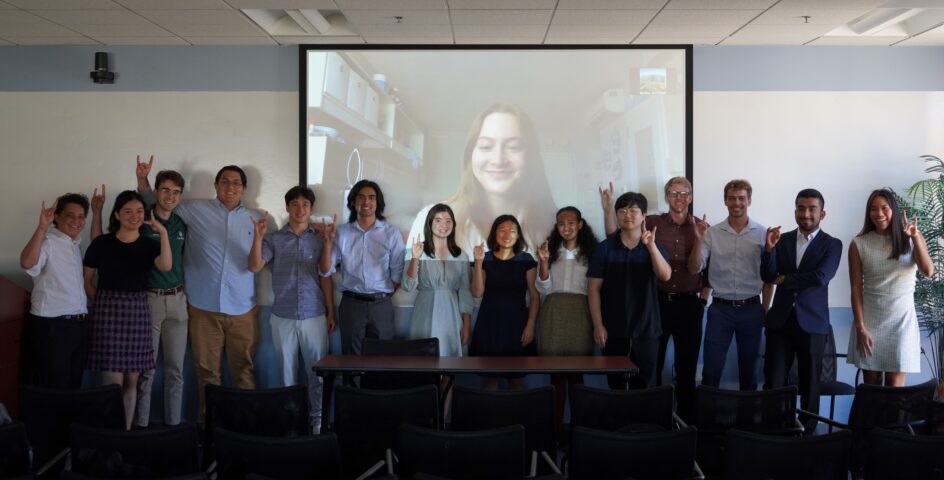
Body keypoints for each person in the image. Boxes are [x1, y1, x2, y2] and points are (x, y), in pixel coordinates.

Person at [137, 157, 261, 419]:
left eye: (236, 182)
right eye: (225, 181)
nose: (230, 187)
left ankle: (248, 429)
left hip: (243, 310)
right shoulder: (193, 209)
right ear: (215, 185)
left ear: (244, 189)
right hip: (202, 308)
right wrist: (143, 182)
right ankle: (210, 430)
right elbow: (161, 203)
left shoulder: (258, 219)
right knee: (207, 374)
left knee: (245, 371)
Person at [602, 178, 711, 421]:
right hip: (657, 304)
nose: (679, 197)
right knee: (653, 367)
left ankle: (685, 424)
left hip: (689, 305)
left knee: (687, 369)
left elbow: (701, 272)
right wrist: (608, 208)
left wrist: (702, 302)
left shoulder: (702, 227)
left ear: (690, 197)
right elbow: (613, 235)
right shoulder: (651, 222)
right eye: (673, 193)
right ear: (666, 197)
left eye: (684, 193)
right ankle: (657, 421)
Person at [408, 103, 555, 254]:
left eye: (514, 147)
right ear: (469, 156)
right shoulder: (429, 220)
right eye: (485, 146)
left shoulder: (551, 228)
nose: (498, 160)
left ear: (530, 158)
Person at [249, 186, 335, 433]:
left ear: (311, 208)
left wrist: (330, 311)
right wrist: (257, 236)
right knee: (287, 375)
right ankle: (291, 421)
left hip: (314, 314)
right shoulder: (274, 238)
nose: (300, 209)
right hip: (282, 315)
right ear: (287, 207)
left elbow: (326, 273)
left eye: (305, 204)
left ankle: (316, 421)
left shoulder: (320, 237)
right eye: (295, 204)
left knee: (316, 374)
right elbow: (255, 266)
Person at [83, 190, 172, 430]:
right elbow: (88, 279)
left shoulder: (149, 245)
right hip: (107, 313)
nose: (134, 216)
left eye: (139, 211)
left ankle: (125, 431)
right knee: (111, 383)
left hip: (137, 311)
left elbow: (166, 265)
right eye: (128, 211)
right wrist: (103, 302)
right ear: (117, 215)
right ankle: (109, 431)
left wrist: (162, 232)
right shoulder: (102, 243)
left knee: (132, 380)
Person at [761, 188, 842, 431]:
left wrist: (786, 280)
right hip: (780, 322)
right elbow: (768, 276)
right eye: (801, 208)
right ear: (795, 210)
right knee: (774, 383)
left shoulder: (832, 244)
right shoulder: (781, 239)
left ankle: (806, 436)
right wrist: (768, 250)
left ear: (822, 213)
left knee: (810, 385)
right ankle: (775, 432)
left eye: (811, 209)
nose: (805, 214)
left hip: (813, 323)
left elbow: (821, 277)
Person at [688, 179, 772, 391]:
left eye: (741, 198)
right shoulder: (712, 233)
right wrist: (698, 240)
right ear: (725, 201)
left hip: (752, 309)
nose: (737, 203)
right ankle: (710, 421)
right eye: (732, 198)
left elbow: (770, 276)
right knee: (711, 371)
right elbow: (694, 268)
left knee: (749, 371)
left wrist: (764, 309)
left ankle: (747, 423)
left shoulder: (762, 234)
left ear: (749, 201)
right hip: (720, 310)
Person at [847, 189, 932, 386]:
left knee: (895, 388)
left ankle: (894, 420)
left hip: (902, 324)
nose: (879, 213)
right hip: (870, 323)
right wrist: (860, 328)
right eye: (874, 209)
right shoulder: (858, 244)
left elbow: (928, 271)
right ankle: (870, 419)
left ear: (893, 209)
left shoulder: (911, 239)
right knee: (872, 387)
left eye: (884, 208)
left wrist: (916, 237)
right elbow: (855, 288)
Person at [588, 192, 671, 390]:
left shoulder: (655, 247)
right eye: (623, 210)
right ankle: (620, 422)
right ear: (617, 215)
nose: (628, 215)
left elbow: (665, 275)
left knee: (646, 385)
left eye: (634, 211)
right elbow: (593, 289)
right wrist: (598, 325)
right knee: (615, 384)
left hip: (647, 328)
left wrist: (650, 247)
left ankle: (643, 422)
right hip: (612, 329)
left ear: (644, 216)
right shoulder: (604, 249)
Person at [129, 169, 188, 428]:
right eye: (165, 190)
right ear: (156, 192)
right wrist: (141, 181)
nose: (170, 196)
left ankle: (173, 427)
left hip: (178, 301)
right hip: (149, 301)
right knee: (147, 371)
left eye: (175, 192)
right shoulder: (142, 221)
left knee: (176, 372)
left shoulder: (181, 224)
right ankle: (141, 426)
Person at [320, 179, 405, 356]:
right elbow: (325, 270)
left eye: (372, 198)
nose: (366, 202)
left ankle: (377, 385)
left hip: (381, 304)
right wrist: (328, 243)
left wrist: (383, 294)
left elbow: (398, 271)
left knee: (383, 360)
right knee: (351, 360)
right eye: (361, 197)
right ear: (353, 202)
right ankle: (352, 385)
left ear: (378, 203)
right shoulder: (341, 232)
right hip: (352, 304)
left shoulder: (391, 233)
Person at [20, 192, 95, 388]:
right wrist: (41, 228)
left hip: (77, 325)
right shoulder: (48, 242)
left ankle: (67, 420)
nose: (76, 221)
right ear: (57, 217)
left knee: (73, 383)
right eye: (70, 215)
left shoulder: (74, 244)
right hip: (53, 326)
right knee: (54, 386)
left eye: (81, 217)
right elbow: (27, 263)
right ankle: (53, 420)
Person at [536, 206, 597, 430]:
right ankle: (556, 429)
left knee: (577, 375)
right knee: (556, 376)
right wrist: (543, 262)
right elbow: (543, 288)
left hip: (581, 312)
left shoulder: (592, 253)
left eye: (571, 222)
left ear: (580, 224)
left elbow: (597, 289)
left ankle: (580, 430)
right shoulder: (550, 250)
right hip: (553, 311)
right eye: (561, 223)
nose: (566, 227)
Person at [470, 215, 539, 390]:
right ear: (495, 233)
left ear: (518, 236)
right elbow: (477, 292)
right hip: (489, 324)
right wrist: (478, 263)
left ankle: (516, 417)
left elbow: (535, 295)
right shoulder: (485, 258)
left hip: (517, 324)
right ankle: (489, 418)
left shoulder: (526, 259)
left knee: (516, 379)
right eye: (502, 230)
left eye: (512, 231)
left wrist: (530, 325)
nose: (507, 234)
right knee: (490, 379)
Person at [402, 203, 473, 356]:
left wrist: (466, 325)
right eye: (438, 220)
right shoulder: (416, 250)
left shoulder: (461, 256)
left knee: (450, 359)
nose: (444, 225)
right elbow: (408, 286)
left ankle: (447, 382)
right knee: (425, 358)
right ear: (430, 223)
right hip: (425, 310)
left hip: (452, 313)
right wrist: (415, 258)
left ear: (453, 225)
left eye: (448, 221)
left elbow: (465, 292)